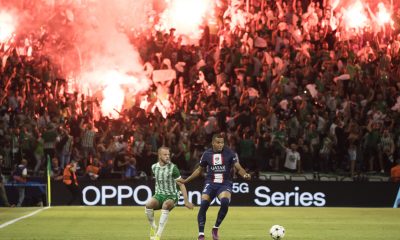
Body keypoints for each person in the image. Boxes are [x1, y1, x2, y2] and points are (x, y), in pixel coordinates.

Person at [177, 133, 251, 240]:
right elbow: (199, 170)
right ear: (213, 143)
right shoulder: (207, 154)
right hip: (210, 183)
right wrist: (186, 180)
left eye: (222, 142)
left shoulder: (230, 153)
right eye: (218, 142)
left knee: (225, 202)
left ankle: (215, 228)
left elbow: (238, 168)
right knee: (203, 205)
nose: (221, 145)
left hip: (224, 183)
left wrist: (245, 174)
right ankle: (201, 234)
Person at [145, 147, 193, 240]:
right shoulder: (154, 167)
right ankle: (153, 226)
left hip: (172, 195)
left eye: (168, 155)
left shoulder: (173, 168)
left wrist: (186, 201)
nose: (167, 156)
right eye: (165, 155)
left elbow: (181, 184)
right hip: (159, 194)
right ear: (159, 156)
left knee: (166, 205)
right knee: (148, 204)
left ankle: (158, 235)